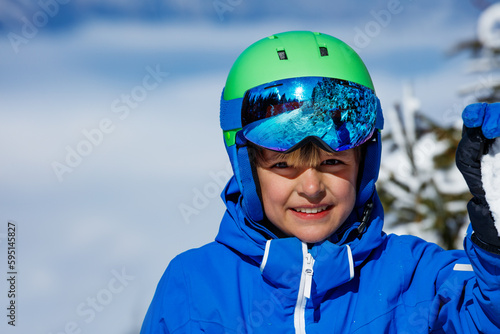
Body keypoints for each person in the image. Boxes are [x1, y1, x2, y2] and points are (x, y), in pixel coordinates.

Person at [140, 31, 500, 333]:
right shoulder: (195, 285)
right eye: (284, 165)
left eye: (332, 162)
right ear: (248, 169)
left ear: (363, 163)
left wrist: (495, 243)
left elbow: (488, 315)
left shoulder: (417, 276)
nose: (311, 188)